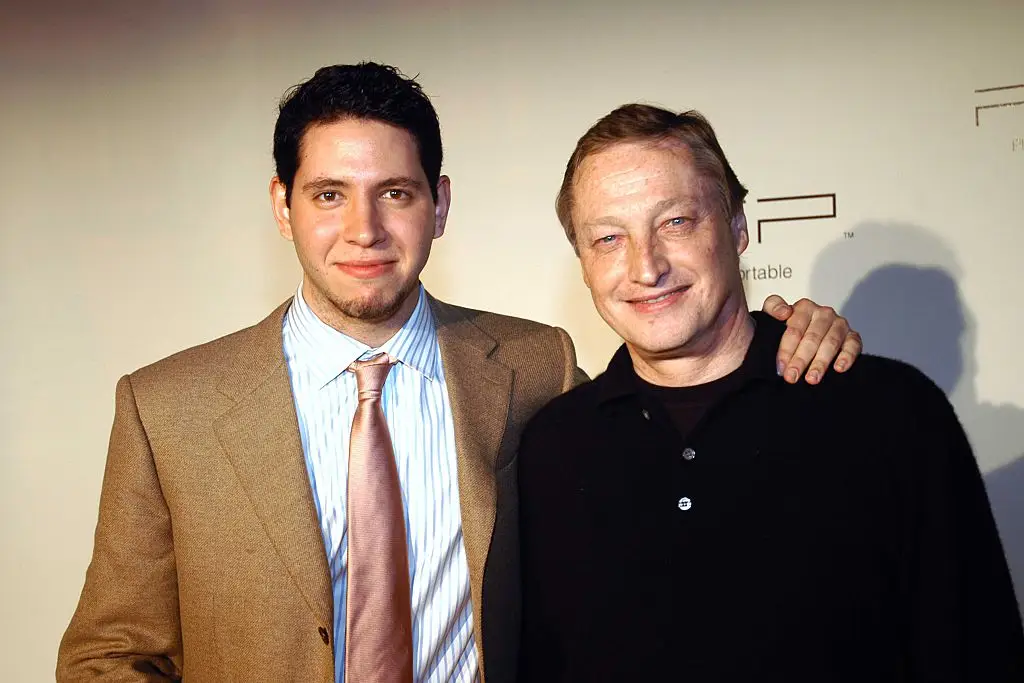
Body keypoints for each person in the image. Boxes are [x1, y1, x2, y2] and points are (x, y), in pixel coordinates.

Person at [56, 63, 862, 683]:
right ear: (282, 204)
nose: (363, 229)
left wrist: (774, 333)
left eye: (395, 193)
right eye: (329, 193)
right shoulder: (166, 408)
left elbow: (673, 432)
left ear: (439, 205)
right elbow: (110, 656)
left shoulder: (534, 366)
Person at [517, 103, 1024, 682]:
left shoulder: (893, 414)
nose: (645, 267)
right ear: (582, 261)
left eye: (675, 223)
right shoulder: (551, 448)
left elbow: (978, 650)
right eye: (608, 238)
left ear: (737, 227)